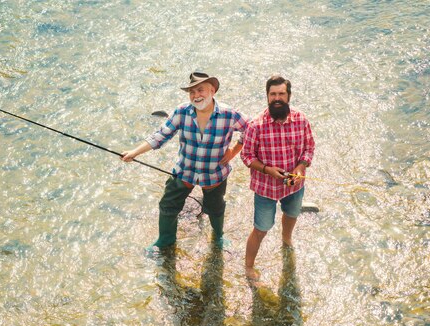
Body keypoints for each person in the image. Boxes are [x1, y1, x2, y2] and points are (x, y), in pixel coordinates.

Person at [121, 72, 248, 249]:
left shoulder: (229, 114)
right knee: (168, 205)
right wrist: (135, 152)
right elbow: (161, 135)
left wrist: (234, 150)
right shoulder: (182, 111)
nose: (196, 96)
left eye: (200, 90)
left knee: (216, 208)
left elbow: (251, 130)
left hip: (214, 174)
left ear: (212, 90)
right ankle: (165, 240)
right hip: (184, 171)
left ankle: (218, 237)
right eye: (192, 92)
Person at [240, 75, 315, 281]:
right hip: (265, 188)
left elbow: (309, 148)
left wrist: (301, 166)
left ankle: (286, 238)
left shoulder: (301, 120)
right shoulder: (256, 125)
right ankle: (248, 266)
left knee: (292, 214)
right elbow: (246, 156)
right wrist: (266, 169)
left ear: (288, 95)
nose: (277, 98)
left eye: (281, 93)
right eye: (273, 94)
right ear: (267, 96)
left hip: (294, 185)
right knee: (261, 228)